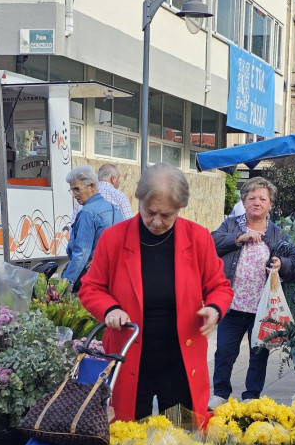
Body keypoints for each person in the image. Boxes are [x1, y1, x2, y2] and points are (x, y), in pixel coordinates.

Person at [79, 163, 233, 422]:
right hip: (129, 355)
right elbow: (91, 287)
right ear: (139, 200)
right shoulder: (113, 238)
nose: (157, 222)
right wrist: (110, 308)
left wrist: (214, 308)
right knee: (127, 434)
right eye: (150, 213)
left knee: (182, 436)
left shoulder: (199, 238)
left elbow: (219, 287)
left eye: (167, 215)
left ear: (179, 209)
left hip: (180, 359)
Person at [210, 177, 295, 408]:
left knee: (259, 355)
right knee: (224, 353)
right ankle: (220, 393)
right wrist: (240, 238)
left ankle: (252, 396)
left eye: (262, 199)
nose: (257, 202)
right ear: (244, 201)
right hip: (231, 304)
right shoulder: (230, 225)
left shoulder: (278, 234)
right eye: (252, 198)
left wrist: (282, 264)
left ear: (270, 204)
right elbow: (211, 243)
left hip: (262, 308)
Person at [63, 165, 120, 291]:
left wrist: (65, 284)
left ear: (92, 186)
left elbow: (81, 254)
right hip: (114, 277)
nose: (74, 195)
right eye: (72, 190)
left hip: (92, 278)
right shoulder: (114, 209)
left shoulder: (88, 213)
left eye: (77, 189)